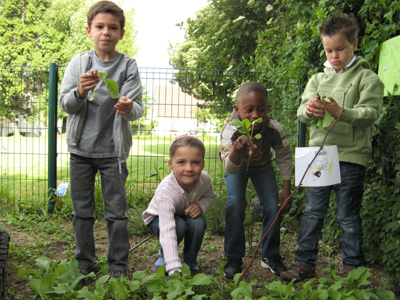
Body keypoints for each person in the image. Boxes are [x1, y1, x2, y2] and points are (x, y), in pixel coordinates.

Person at [280, 13, 384, 282]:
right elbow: (301, 112)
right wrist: (310, 110)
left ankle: (353, 269)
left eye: (340, 48)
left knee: (347, 216)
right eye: (329, 50)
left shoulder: (367, 78)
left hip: (350, 156)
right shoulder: (317, 79)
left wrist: (342, 112)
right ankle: (304, 263)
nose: (334, 55)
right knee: (313, 211)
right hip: (318, 156)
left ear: (355, 45)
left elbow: (371, 113)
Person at [59, 0, 144, 278]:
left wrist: (130, 108)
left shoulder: (128, 66)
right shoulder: (79, 64)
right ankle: (84, 261)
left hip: (113, 153)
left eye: (112, 27)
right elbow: (66, 105)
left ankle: (118, 265)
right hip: (81, 151)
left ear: (121, 33)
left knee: (116, 214)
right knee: (82, 212)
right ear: (89, 31)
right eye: (100, 26)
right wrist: (79, 93)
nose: (105, 32)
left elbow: (137, 109)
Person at [219, 81, 292, 279]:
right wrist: (237, 150)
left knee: (272, 206)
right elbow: (229, 167)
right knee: (235, 204)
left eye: (261, 109)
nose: (255, 115)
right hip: (238, 168)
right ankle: (234, 257)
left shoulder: (273, 127)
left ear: (267, 108)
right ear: (237, 109)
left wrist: (287, 186)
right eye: (249, 110)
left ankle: (269, 256)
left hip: (262, 167)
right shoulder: (230, 129)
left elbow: (284, 156)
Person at [142, 135, 217, 277]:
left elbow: (211, 196)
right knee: (179, 226)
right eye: (181, 162)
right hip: (159, 220)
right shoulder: (166, 192)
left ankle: (190, 262)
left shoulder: (204, 179)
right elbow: (167, 229)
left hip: (183, 214)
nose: (189, 168)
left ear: (203, 164)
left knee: (198, 223)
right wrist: (174, 269)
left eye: (195, 162)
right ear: (171, 164)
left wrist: (201, 205)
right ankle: (164, 256)